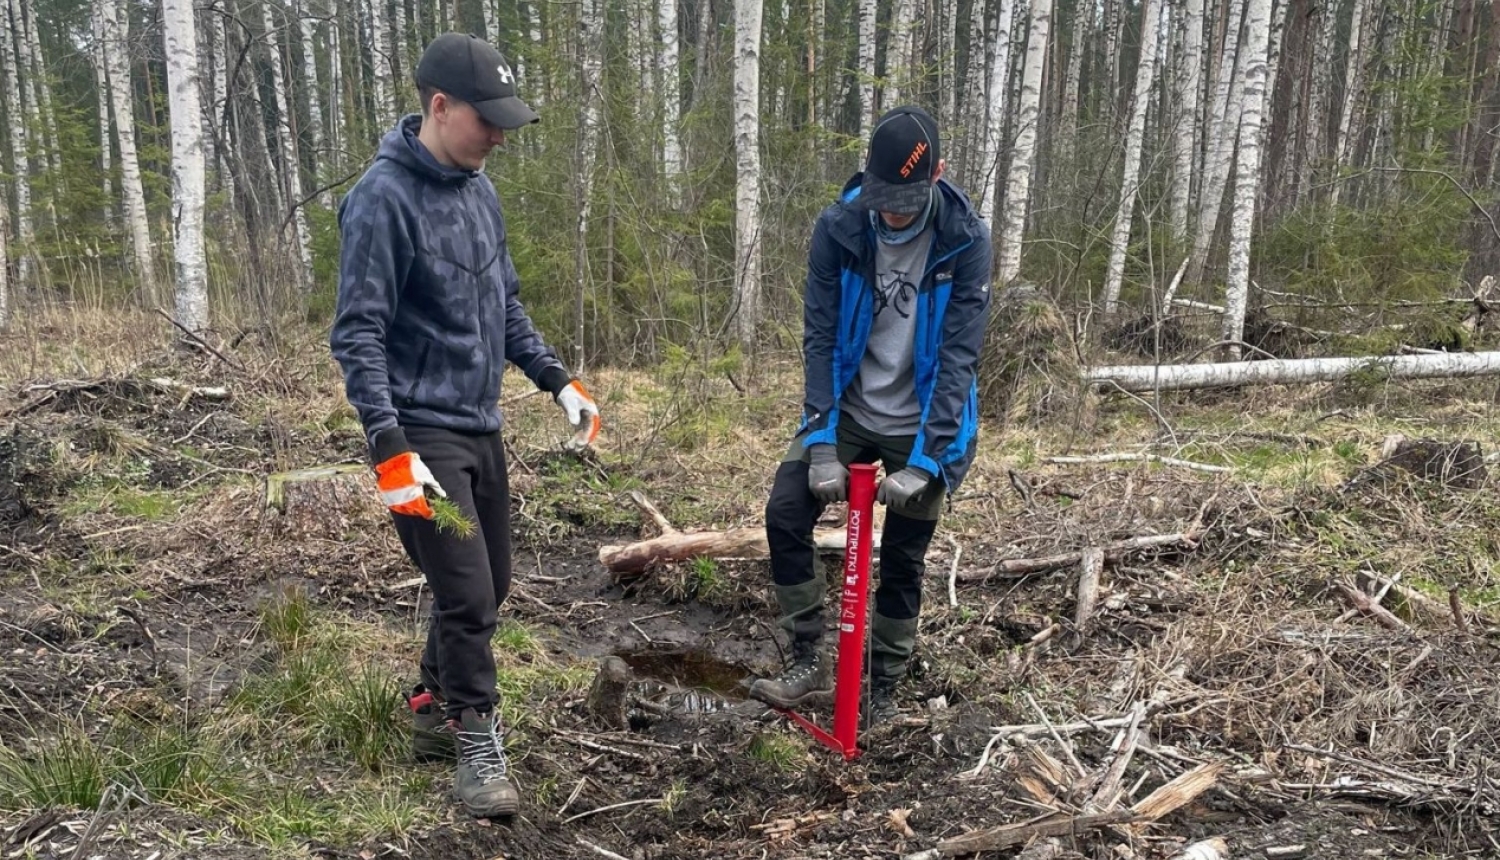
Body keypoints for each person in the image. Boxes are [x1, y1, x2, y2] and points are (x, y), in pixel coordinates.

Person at [330, 32, 601, 819]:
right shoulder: (381, 199)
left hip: (479, 430)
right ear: (440, 107)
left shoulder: (479, 190)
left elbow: (505, 305)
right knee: (468, 590)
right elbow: (358, 332)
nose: (500, 136)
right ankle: (476, 745)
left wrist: (558, 381)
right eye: (488, 120)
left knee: (494, 584)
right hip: (419, 444)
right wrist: (389, 448)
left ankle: (429, 706)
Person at [748, 105, 992, 726]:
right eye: (884, 198)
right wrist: (825, 440)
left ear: (937, 174)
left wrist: (930, 459)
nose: (892, 212)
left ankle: (883, 683)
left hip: (924, 417)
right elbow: (820, 337)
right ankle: (808, 658)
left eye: (905, 200)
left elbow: (959, 358)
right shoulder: (840, 227)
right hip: (849, 406)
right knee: (785, 509)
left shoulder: (966, 239)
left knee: (906, 552)